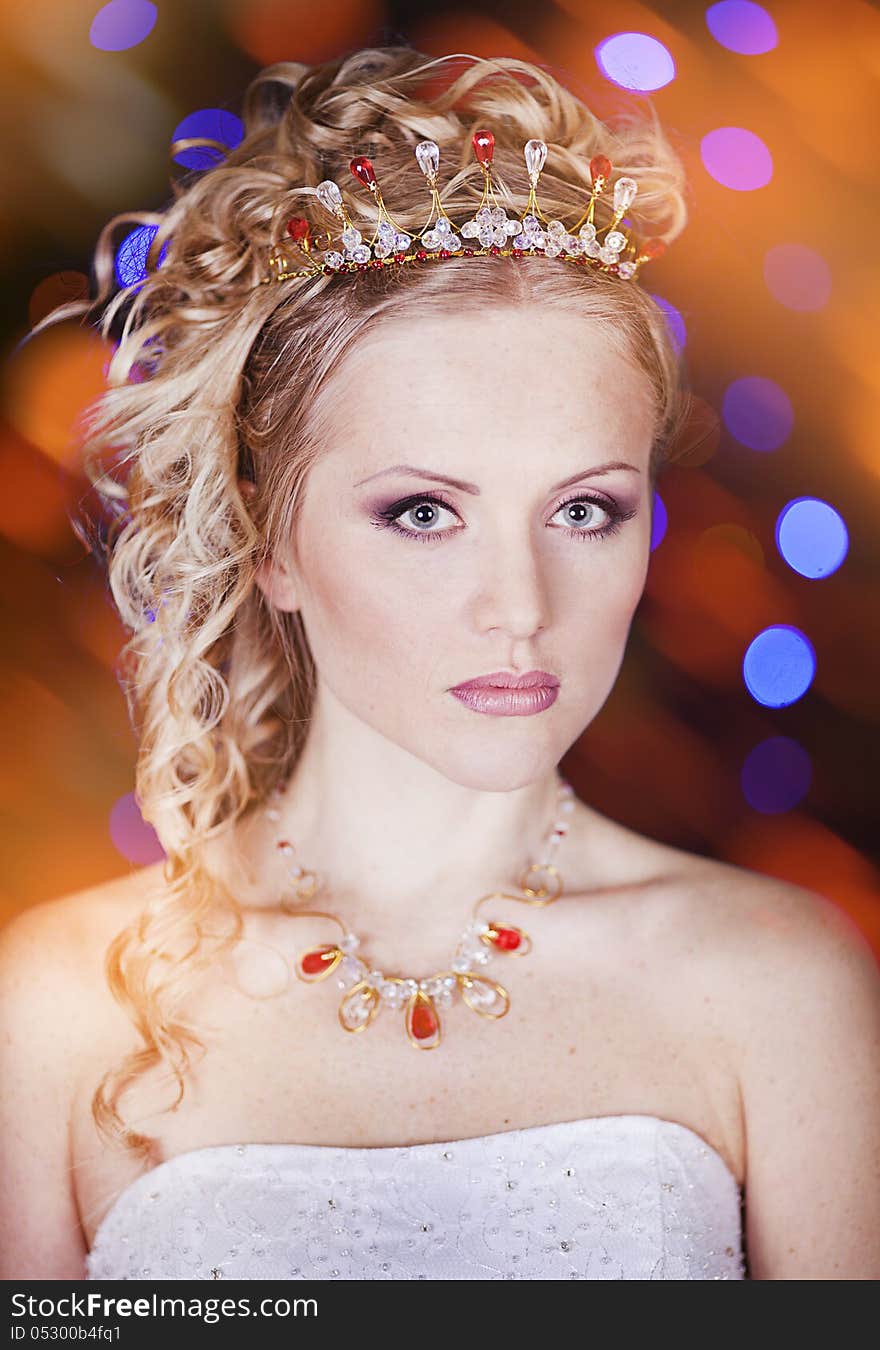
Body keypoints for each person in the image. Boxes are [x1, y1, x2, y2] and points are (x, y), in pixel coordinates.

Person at [1, 46, 878, 1283]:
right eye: (422, 512)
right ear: (268, 544)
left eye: (582, 511)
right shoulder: (54, 1009)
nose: (520, 607)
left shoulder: (780, 980)